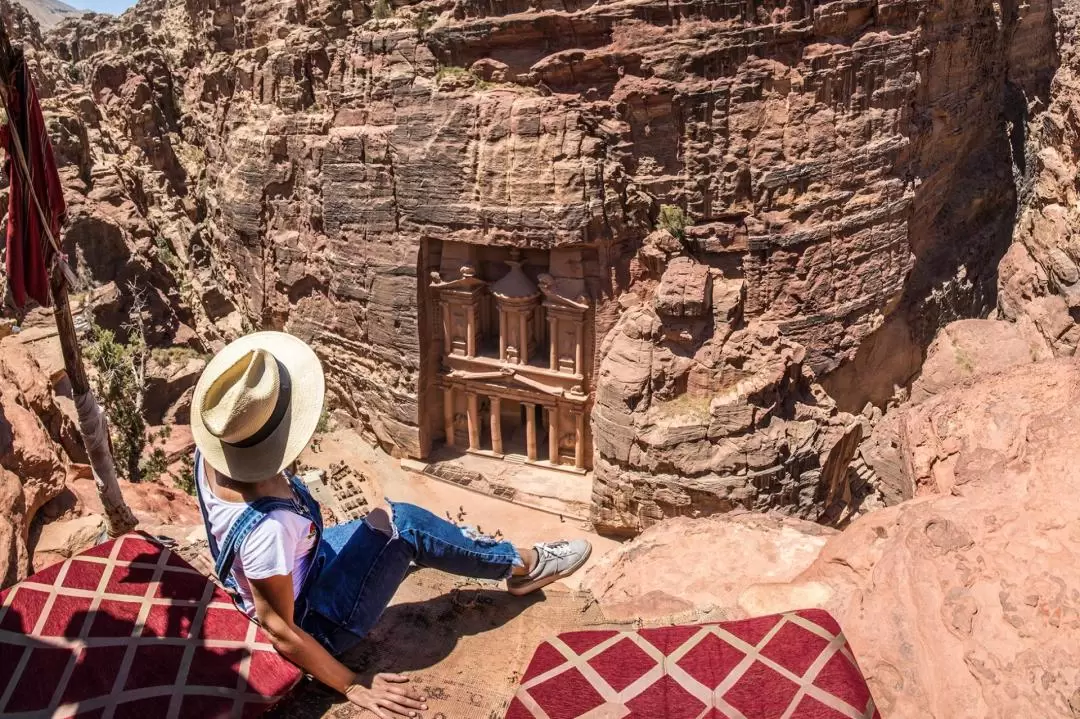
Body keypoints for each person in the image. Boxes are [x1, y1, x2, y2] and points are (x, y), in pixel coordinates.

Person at [190, 332, 592, 718]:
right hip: (318, 621)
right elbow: (279, 627)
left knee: (381, 526)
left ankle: (461, 552)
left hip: (305, 565)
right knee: (405, 526)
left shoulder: (215, 454)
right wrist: (352, 686)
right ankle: (521, 565)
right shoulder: (269, 529)